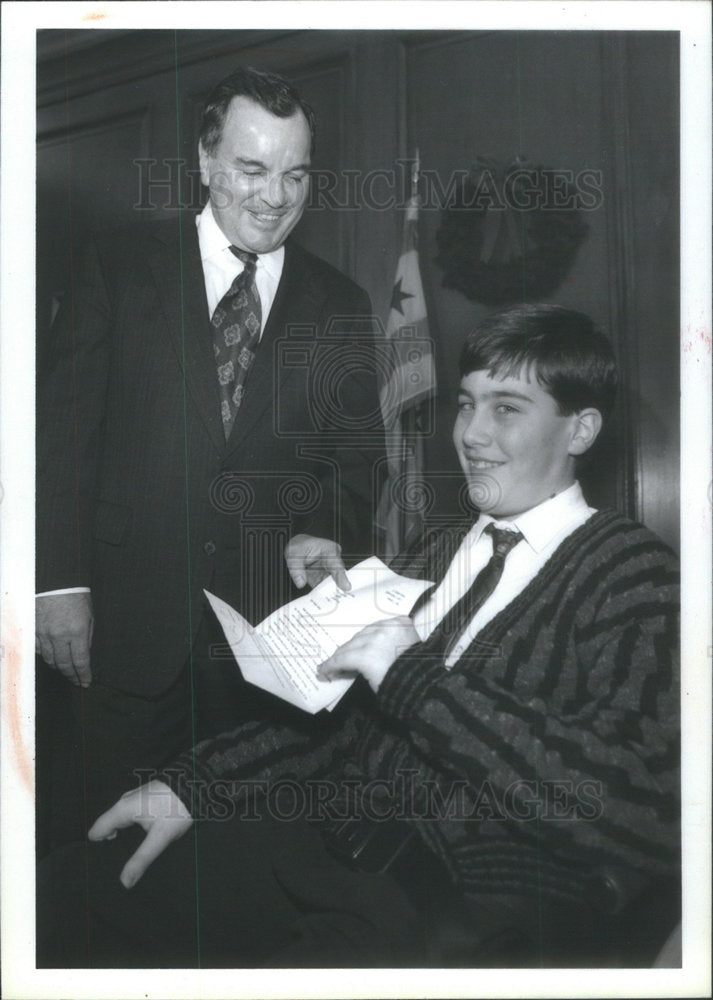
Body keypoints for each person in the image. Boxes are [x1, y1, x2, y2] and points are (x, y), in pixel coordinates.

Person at [38, 304, 680, 968]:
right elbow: (338, 723)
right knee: (65, 893)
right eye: (466, 405)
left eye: (506, 409)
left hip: (454, 896)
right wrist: (192, 786)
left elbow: (644, 811)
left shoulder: (633, 574)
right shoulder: (435, 549)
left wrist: (411, 680)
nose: (471, 434)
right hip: (324, 841)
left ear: (580, 429)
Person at [35, 67, 384, 837]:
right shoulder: (116, 265)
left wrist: (324, 529)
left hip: (263, 655)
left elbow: (354, 464)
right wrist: (55, 584)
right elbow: (60, 437)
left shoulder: (340, 303)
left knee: (237, 869)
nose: (275, 197)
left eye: (296, 174)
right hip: (117, 634)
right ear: (204, 159)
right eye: (252, 169)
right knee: (98, 853)